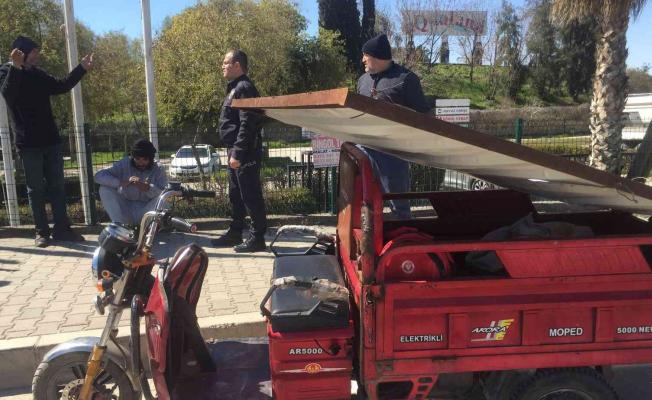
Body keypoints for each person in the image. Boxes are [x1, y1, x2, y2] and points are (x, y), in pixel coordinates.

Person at [0, 35, 94, 247]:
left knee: (57, 187)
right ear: (21, 53)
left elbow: (61, 85)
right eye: (34, 52)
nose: (37, 56)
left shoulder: (38, 74)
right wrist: (15, 67)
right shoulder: (6, 71)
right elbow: (8, 95)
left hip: (51, 140)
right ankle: (41, 232)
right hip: (28, 143)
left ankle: (62, 230)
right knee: (36, 190)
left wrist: (81, 68)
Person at [357, 33, 430, 219]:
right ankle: (370, 236)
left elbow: (423, 117)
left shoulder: (406, 79)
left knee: (399, 206)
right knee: (363, 204)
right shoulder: (362, 80)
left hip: (392, 155)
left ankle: (404, 234)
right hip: (363, 149)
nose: (362, 59)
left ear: (377, 57)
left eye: (365, 55)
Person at [211, 50, 267, 253]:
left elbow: (248, 123)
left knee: (250, 195)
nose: (222, 66)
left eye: (225, 62)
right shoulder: (235, 88)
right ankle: (235, 232)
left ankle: (257, 238)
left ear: (237, 65)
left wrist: (238, 153)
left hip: (245, 152)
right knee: (236, 195)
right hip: (235, 150)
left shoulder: (244, 88)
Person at [95, 138, 168, 226]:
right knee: (104, 189)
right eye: (137, 159)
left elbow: (164, 191)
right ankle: (119, 226)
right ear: (133, 157)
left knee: (164, 200)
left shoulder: (159, 168)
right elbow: (98, 176)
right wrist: (120, 182)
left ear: (151, 159)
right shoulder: (124, 164)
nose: (141, 163)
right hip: (125, 209)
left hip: (147, 210)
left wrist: (146, 187)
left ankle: (149, 227)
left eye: (145, 159)